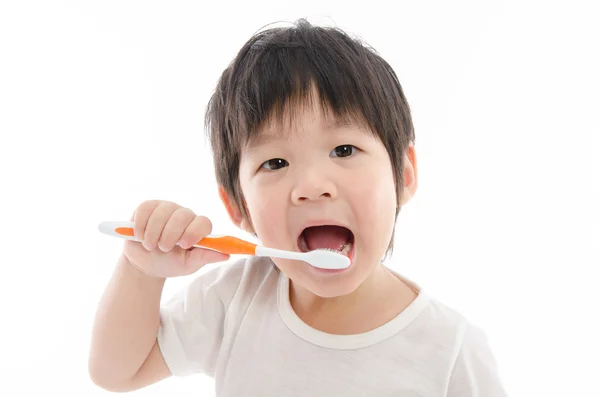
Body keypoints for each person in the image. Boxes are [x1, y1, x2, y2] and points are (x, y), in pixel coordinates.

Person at [88, 18, 508, 396]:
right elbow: (118, 373)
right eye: (275, 163)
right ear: (238, 207)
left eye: (344, 149)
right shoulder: (233, 299)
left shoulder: (451, 351)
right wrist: (141, 272)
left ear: (404, 175)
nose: (311, 187)